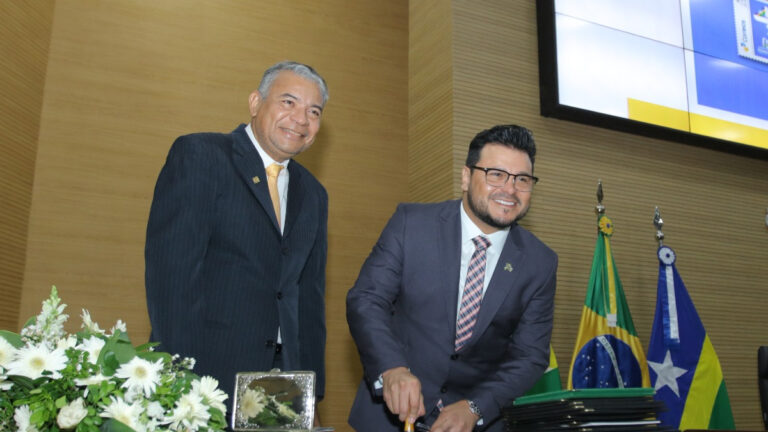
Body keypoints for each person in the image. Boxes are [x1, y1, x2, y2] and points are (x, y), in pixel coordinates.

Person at [145, 61, 329, 422]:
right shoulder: (202, 155)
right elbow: (172, 276)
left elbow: (309, 296)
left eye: (314, 111)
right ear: (255, 103)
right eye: (288, 102)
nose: (301, 119)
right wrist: (180, 378)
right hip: (206, 374)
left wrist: (312, 394)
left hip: (282, 385)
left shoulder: (314, 193)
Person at [346, 125, 558, 432]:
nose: (510, 190)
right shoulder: (411, 224)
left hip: (474, 423)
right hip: (387, 418)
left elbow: (530, 356)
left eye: (522, 179)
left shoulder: (540, 262)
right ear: (466, 177)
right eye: (496, 174)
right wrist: (392, 369)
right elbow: (367, 299)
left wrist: (476, 407)